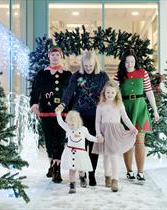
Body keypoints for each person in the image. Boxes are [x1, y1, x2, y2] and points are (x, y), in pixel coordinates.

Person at [56, 51, 109, 186]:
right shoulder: (77, 75)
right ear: (82, 64)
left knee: (93, 147)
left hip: (95, 116)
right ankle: (81, 173)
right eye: (86, 66)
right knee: (79, 145)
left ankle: (91, 174)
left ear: (95, 63)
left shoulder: (102, 76)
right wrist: (62, 104)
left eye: (90, 65)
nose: (88, 68)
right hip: (78, 116)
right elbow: (68, 91)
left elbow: (109, 92)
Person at [114, 49, 160, 181]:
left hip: (140, 108)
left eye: (132, 61)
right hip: (125, 109)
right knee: (128, 141)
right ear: (123, 63)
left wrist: (155, 110)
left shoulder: (143, 73)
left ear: (135, 62)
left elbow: (149, 92)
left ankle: (140, 172)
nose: (129, 64)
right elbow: (114, 94)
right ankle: (129, 171)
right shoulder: (119, 75)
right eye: (127, 62)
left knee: (140, 140)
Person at [30, 47, 72, 183]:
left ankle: (57, 169)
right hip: (46, 111)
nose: (55, 57)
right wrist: (34, 103)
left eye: (57, 54)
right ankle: (51, 165)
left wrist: (71, 110)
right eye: (52, 54)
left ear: (61, 56)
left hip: (62, 113)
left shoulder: (68, 74)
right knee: (49, 140)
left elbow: (71, 93)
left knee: (59, 140)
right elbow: (35, 91)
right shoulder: (41, 74)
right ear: (49, 56)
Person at [92, 80, 138, 192]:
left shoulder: (119, 104)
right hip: (104, 132)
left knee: (114, 155)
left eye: (112, 93)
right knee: (106, 156)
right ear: (104, 93)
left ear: (116, 93)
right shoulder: (101, 106)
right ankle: (107, 176)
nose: (110, 95)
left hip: (116, 132)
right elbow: (97, 121)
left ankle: (115, 179)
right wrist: (98, 134)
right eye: (108, 92)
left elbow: (125, 118)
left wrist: (132, 127)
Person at [55, 110, 104, 193]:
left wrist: (97, 140)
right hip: (70, 153)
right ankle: (72, 185)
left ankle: (82, 177)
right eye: (69, 124)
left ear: (78, 122)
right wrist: (58, 114)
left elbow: (89, 137)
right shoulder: (67, 128)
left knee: (81, 169)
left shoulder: (84, 129)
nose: (70, 126)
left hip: (80, 154)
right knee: (72, 170)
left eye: (72, 124)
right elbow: (60, 123)